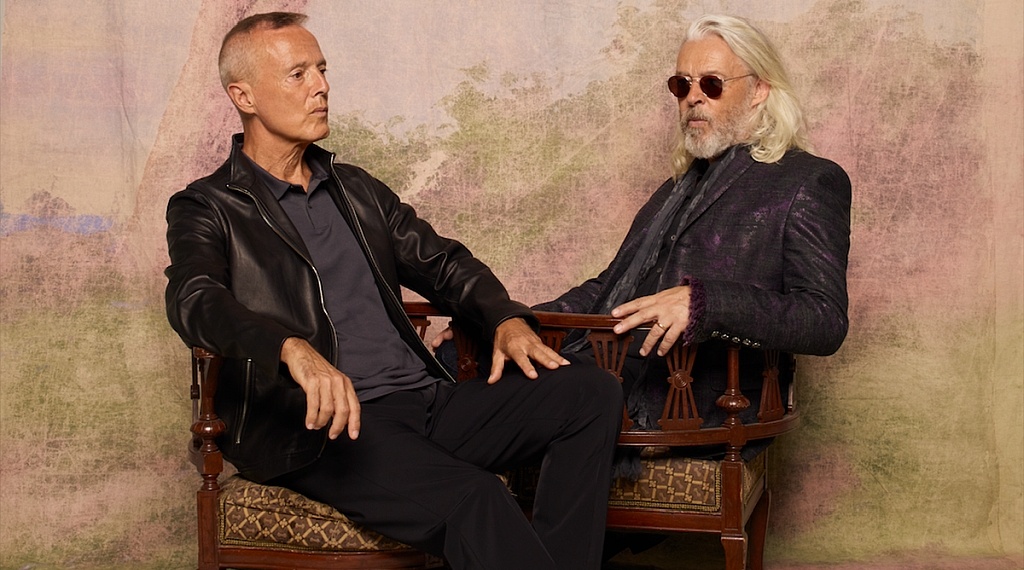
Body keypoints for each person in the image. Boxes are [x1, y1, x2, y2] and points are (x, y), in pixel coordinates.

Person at [164, 12, 622, 570]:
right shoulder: (207, 206)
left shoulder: (356, 190)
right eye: (298, 74)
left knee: (590, 393)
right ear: (244, 96)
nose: (321, 86)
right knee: (475, 497)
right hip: (325, 427)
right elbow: (195, 299)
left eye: (322, 69)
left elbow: (444, 263)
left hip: (426, 401)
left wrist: (504, 317)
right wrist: (289, 347)